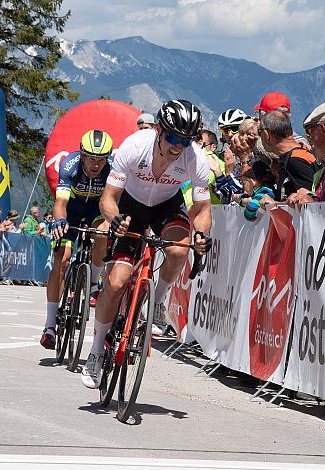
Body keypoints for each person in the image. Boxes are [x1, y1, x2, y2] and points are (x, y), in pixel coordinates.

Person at [82, 99, 213, 389]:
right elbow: (108, 198)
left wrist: (202, 234)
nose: (179, 145)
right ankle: (94, 352)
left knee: (180, 249)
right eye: (173, 137)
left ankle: (158, 303)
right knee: (115, 284)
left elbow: (203, 210)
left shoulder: (195, 159)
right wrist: (115, 220)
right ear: (158, 130)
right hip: (130, 207)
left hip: (167, 206)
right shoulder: (134, 146)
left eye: (186, 139)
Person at [40, 129, 114, 351]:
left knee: (103, 232)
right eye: (91, 158)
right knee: (61, 261)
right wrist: (60, 221)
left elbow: (112, 201)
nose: (96, 164)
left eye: (101, 159)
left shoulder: (111, 171)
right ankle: (50, 325)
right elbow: (60, 203)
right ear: (82, 155)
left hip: (96, 208)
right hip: (71, 208)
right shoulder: (69, 165)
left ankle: (93, 283)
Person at [258, 110, 320, 201]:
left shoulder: (295, 160)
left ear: (267, 134)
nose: (259, 136)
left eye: (260, 132)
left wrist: (272, 204)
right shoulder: (300, 154)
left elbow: (306, 203)